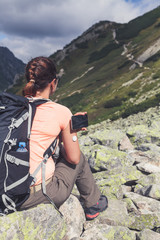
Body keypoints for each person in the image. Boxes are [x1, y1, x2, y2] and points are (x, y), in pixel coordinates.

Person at [19, 56, 108, 220]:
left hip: (5, 189)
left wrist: (59, 136)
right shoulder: (60, 111)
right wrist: (71, 131)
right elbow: (73, 159)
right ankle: (93, 204)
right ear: (53, 83)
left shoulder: (12, 108)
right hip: (33, 196)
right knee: (79, 157)